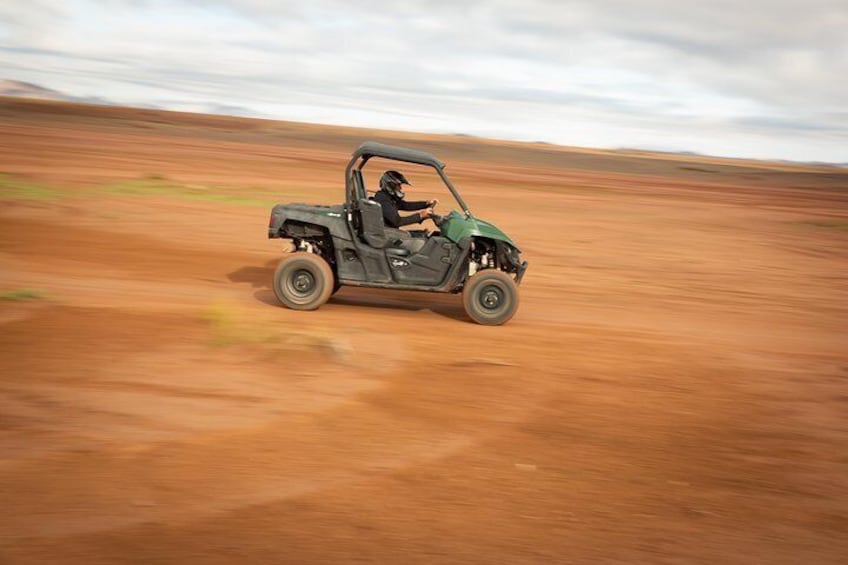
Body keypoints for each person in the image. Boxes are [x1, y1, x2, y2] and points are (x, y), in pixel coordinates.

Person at [372, 170, 438, 228]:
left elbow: (405, 205)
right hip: (387, 233)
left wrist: (426, 203)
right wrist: (420, 215)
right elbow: (397, 221)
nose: (400, 188)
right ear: (391, 185)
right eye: (398, 185)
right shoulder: (383, 200)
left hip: (389, 230)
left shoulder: (387, 197)